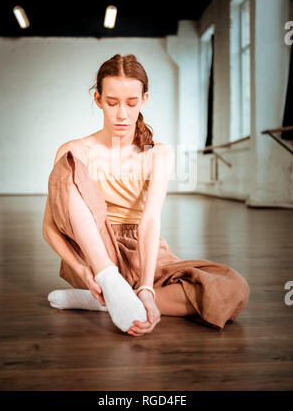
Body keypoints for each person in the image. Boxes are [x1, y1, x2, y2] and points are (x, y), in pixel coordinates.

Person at [43, 53, 250, 336]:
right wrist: (84, 271)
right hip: (96, 251)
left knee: (233, 287)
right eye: (112, 103)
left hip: (141, 250)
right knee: (67, 163)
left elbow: (150, 220)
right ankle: (110, 284)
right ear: (98, 100)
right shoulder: (75, 151)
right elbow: (49, 228)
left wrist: (147, 287)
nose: (122, 114)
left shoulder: (158, 153)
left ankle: (106, 302)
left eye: (131, 103)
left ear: (144, 100)